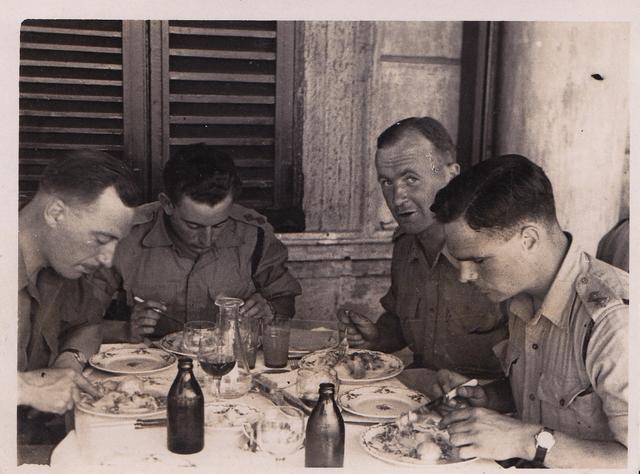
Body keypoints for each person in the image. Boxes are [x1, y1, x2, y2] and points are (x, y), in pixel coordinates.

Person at [429, 154, 628, 468]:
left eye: (478, 261)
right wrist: (491, 397)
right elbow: (554, 394)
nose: (464, 275)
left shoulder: (615, 322)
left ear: (529, 239)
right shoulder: (522, 297)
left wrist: (524, 439)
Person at [337, 117, 507, 379]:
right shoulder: (405, 245)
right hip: (422, 398)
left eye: (411, 179)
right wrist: (377, 337)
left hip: (487, 408)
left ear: (452, 176)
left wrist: (489, 396)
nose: (397, 198)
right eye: (386, 182)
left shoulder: (497, 250)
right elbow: (401, 321)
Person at [94, 143, 301, 342]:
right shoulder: (124, 236)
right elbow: (78, 322)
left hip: (228, 363)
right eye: (193, 226)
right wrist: (125, 330)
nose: (207, 240)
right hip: (150, 366)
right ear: (167, 204)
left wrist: (270, 310)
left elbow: (285, 299)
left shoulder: (254, 234)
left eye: (219, 225)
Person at [18, 150, 141, 436]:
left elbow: (88, 325)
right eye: (101, 239)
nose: (108, 259)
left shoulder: (63, 268)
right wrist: (21, 389)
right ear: (56, 213)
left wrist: (68, 363)